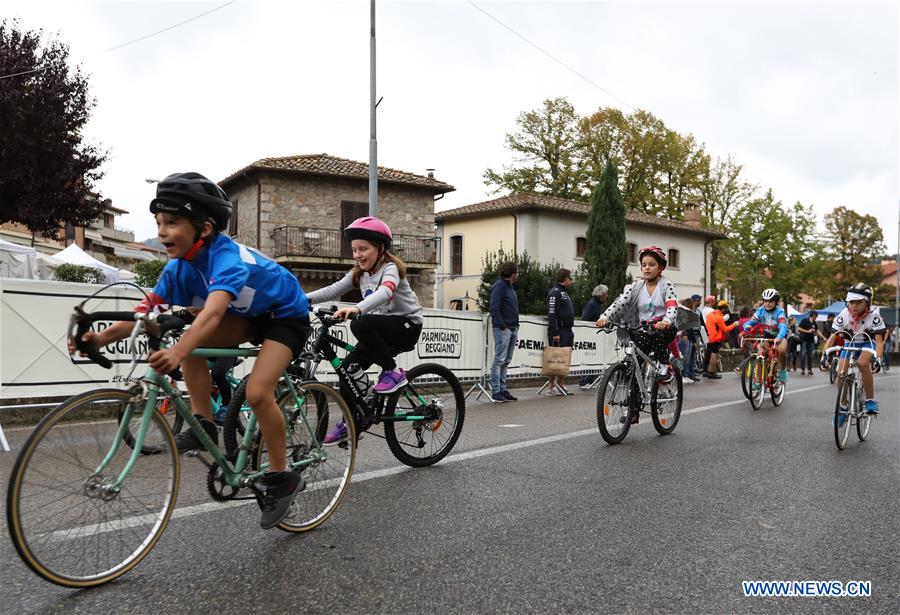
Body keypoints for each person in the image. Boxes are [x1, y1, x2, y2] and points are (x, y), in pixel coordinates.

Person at [69, 172, 311, 529]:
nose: (163, 231)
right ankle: (204, 423)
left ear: (206, 228)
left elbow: (212, 313)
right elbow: (144, 314)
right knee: (191, 340)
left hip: (284, 315)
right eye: (158, 223)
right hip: (246, 316)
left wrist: (178, 352)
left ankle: (281, 476)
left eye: (172, 223)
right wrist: (99, 339)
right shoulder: (177, 269)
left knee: (259, 393)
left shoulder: (226, 258)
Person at [305, 216, 424, 430]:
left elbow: (386, 291)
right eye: (354, 250)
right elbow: (333, 289)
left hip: (406, 327)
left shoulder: (390, 269)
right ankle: (353, 421)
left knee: (360, 323)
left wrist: (358, 308)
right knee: (346, 371)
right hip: (380, 330)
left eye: (363, 249)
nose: (358, 255)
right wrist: (302, 299)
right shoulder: (359, 273)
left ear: (380, 248)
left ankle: (392, 372)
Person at [596, 245, 679, 423]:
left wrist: (666, 321)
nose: (647, 268)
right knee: (633, 368)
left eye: (652, 264)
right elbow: (620, 304)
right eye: (644, 265)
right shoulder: (635, 287)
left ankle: (664, 365)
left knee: (657, 336)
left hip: (665, 329)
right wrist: (605, 316)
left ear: (661, 267)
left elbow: (672, 306)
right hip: (643, 330)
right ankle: (633, 409)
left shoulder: (666, 285)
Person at [819, 283, 886, 422]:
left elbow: (879, 342)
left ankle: (869, 400)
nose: (853, 306)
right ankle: (843, 405)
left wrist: (878, 359)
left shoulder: (874, 315)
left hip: (867, 342)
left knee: (862, 364)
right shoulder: (844, 315)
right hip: (850, 342)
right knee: (840, 374)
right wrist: (823, 355)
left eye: (858, 302)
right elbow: (832, 338)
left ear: (867, 302)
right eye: (851, 302)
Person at [742, 288, 790, 383]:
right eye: (765, 301)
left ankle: (783, 370)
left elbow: (783, 326)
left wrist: (779, 337)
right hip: (767, 337)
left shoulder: (779, 312)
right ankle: (759, 381)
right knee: (760, 353)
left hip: (780, 336)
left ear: (776, 302)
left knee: (782, 350)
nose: (767, 304)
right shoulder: (760, 311)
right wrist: (747, 326)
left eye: (771, 301)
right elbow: (750, 322)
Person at [488, 261, 520, 402]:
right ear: (513, 274)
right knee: (500, 359)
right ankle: (496, 391)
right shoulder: (500, 286)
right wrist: (502, 325)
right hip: (504, 328)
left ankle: (502, 389)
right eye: (517, 273)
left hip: (511, 327)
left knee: (506, 360)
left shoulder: (509, 287)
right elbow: (494, 306)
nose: (517, 275)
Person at [546, 268, 575, 395]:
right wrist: (555, 332)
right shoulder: (555, 292)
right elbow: (552, 313)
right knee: (555, 358)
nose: (571, 281)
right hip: (560, 331)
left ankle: (561, 384)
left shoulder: (565, 293)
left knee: (565, 357)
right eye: (570, 278)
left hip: (568, 330)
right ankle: (551, 386)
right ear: (564, 279)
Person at [578, 284, 608, 389]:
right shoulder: (593, 304)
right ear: (601, 295)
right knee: (589, 357)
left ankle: (588, 380)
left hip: (592, 335)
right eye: (606, 294)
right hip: (589, 336)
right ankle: (584, 381)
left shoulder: (595, 304)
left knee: (592, 358)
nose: (607, 296)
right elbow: (585, 319)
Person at [704, 300, 737, 379]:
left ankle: (707, 371)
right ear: (723, 309)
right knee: (714, 355)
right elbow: (725, 329)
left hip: (709, 337)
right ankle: (712, 372)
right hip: (716, 338)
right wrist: (734, 324)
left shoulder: (710, 314)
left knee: (710, 354)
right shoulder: (719, 318)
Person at [677, 297, 697, 383]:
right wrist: (685, 334)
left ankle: (684, 375)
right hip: (684, 336)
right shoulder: (685, 313)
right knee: (684, 357)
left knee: (687, 357)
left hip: (686, 336)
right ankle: (682, 376)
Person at [796, 310, 819, 375]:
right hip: (804, 340)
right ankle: (803, 369)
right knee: (803, 355)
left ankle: (809, 369)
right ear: (812, 315)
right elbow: (799, 328)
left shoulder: (814, 323)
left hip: (811, 341)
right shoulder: (804, 320)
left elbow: (817, 331)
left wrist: (823, 338)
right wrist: (807, 331)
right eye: (815, 316)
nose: (816, 317)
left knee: (810, 356)